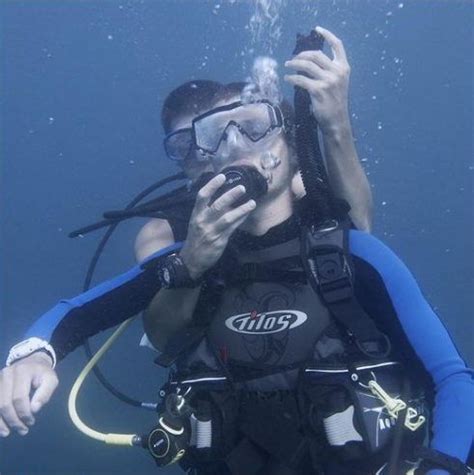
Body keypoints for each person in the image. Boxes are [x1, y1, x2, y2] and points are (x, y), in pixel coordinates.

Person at [1, 27, 472, 474]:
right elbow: (72, 316)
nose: (232, 145)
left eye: (252, 125)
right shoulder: (185, 262)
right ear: (193, 169)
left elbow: (453, 380)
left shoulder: (354, 256)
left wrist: (443, 466)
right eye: (207, 139)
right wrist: (31, 355)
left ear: (289, 141)